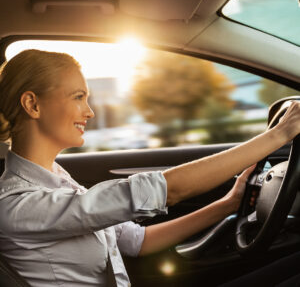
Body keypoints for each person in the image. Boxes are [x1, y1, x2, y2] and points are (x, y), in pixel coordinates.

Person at [0, 49, 299, 287]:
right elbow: (169, 190)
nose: (89, 112)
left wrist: (227, 204)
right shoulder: (17, 206)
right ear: (32, 105)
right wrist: (278, 135)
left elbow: (136, 241)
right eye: (78, 97)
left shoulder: (57, 179)